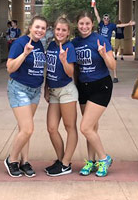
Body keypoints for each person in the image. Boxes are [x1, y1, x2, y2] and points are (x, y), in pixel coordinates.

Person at [72, 11, 116, 177]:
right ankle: (90, 161)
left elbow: (112, 66)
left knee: (85, 127)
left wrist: (104, 54)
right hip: (83, 87)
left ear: (92, 25)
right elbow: (75, 67)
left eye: (87, 24)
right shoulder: (74, 43)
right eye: (81, 24)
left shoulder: (101, 40)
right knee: (92, 128)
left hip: (101, 86)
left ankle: (104, 159)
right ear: (77, 25)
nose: (84, 27)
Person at [5, 16, 47, 178]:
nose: (40, 30)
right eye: (37, 27)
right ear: (30, 27)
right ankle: (12, 159)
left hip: (35, 90)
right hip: (19, 89)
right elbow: (10, 68)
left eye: (43, 28)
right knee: (28, 129)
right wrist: (24, 54)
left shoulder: (39, 45)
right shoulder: (20, 43)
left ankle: (25, 161)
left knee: (24, 129)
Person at [44, 17, 78, 176]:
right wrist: (46, 87)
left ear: (68, 32)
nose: (60, 32)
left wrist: (64, 60)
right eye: (58, 29)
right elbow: (49, 68)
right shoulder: (51, 44)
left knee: (70, 127)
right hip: (53, 92)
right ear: (54, 29)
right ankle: (61, 160)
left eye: (64, 30)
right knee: (51, 128)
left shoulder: (69, 47)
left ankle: (66, 163)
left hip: (66, 91)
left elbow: (70, 73)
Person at [93, 4, 134, 83]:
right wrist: (94, 7)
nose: (105, 20)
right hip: (100, 45)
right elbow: (97, 15)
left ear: (109, 20)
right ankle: (98, 76)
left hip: (107, 45)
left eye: (107, 19)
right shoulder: (101, 24)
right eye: (104, 18)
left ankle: (115, 77)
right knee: (97, 60)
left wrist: (128, 24)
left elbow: (120, 25)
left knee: (112, 60)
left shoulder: (111, 25)